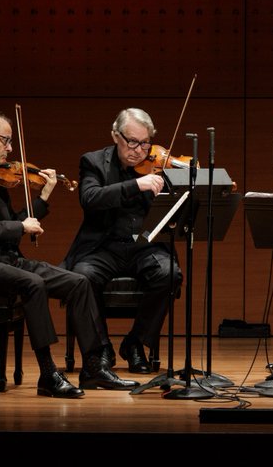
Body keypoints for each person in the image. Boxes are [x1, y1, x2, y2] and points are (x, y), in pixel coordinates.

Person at [0, 109, 139, 398]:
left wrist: (43, 198)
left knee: (78, 282)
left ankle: (93, 365)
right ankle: (48, 373)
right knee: (32, 283)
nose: (10, 148)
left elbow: (13, 220)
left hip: (3, 259)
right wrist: (20, 225)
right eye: (6, 141)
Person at [61, 108, 182, 375]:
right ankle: (100, 349)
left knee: (170, 273)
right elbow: (90, 198)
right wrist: (136, 185)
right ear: (116, 136)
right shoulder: (93, 162)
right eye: (133, 142)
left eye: (145, 142)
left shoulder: (158, 165)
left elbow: (177, 208)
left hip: (144, 245)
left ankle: (136, 343)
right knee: (82, 277)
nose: (140, 150)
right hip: (104, 246)